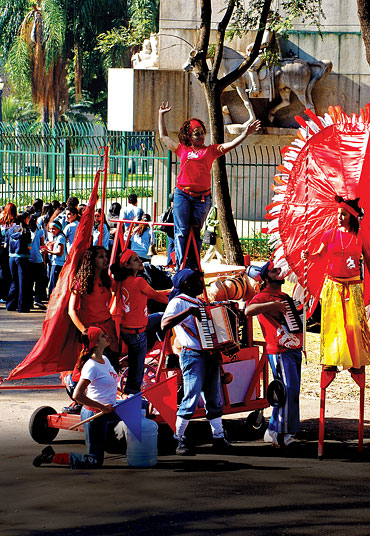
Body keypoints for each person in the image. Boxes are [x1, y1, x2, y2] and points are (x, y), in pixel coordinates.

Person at [158, 101, 260, 269]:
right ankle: (181, 267)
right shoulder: (182, 149)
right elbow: (164, 137)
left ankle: (195, 266)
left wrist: (245, 133)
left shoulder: (210, 150)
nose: (201, 136)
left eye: (202, 133)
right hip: (182, 194)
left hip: (202, 198)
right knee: (182, 232)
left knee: (196, 232)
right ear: (189, 136)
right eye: (197, 134)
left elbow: (231, 145)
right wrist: (161, 115)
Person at [301, 196, 370, 372]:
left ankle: (355, 361)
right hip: (333, 286)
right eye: (338, 214)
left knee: (354, 324)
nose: (339, 217)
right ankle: (331, 360)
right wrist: (309, 256)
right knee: (332, 323)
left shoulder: (360, 236)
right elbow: (319, 256)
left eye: (343, 214)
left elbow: (369, 260)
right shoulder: (329, 235)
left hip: (353, 286)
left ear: (351, 216)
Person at [161, 269, 230, 455]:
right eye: (198, 281)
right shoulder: (178, 302)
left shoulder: (200, 302)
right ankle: (179, 438)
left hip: (209, 354)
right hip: (192, 354)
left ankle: (218, 436)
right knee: (191, 396)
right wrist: (188, 312)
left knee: (213, 397)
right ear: (187, 284)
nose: (202, 284)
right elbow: (164, 324)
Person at [33, 327, 120, 469]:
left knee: (140, 410)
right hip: (96, 414)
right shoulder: (91, 366)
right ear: (96, 343)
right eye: (103, 336)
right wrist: (102, 407)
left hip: (108, 410)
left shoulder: (105, 359)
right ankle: (52, 457)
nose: (107, 337)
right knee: (94, 461)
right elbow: (77, 395)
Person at [245, 260, 303, 447]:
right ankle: (282, 433)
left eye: (281, 269)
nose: (280, 272)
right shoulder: (263, 296)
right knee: (287, 391)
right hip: (279, 350)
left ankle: (274, 430)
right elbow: (249, 310)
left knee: (289, 392)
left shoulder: (285, 296)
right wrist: (272, 305)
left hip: (293, 349)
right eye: (275, 270)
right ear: (266, 276)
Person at [111, 249, 170, 394]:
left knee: (161, 316)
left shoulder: (120, 281)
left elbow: (149, 293)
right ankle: (133, 398)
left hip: (126, 328)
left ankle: (165, 348)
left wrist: (170, 290)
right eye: (136, 260)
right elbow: (157, 297)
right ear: (128, 266)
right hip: (137, 333)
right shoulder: (139, 281)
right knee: (136, 375)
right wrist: (181, 303)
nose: (140, 261)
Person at [68, 246, 118, 370]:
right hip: (92, 330)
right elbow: (71, 310)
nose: (105, 259)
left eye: (106, 256)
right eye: (101, 257)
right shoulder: (81, 281)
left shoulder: (107, 279)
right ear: (91, 260)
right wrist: (85, 331)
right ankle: (74, 384)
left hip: (108, 327)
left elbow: (122, 291)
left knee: (112, 364)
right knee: (94, 365)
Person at [6, 212, 32, 312]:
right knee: (23, 282)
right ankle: (22, 307)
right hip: (23, 258)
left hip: (11, 257)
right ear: (25, 219)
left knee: (14, 281)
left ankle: (10, 305)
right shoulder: (26, 231)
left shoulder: (10, 230)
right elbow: (29, 246)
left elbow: (6, 245)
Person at [28, 214, 48, 308]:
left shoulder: (26, 231)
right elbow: (42, 246)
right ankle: (37, 299)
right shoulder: (40, 232)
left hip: (28, 258)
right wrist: (44, 260)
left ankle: (29, 300)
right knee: (39, 281)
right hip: (38, 258)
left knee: (30, 281)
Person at [43, 219, 67, 296]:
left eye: (53, 229)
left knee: (53, 283)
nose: (51, 230)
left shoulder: (60, 238)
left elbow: (60, 252)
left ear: (58, 229)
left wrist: (48, 251)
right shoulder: (57, 237)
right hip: (55, 262)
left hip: (58, 263)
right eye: (50, 229)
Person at [0, 202, 18, 302]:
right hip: (12, 249)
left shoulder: (2, 221)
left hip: (2, 248)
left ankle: (3, 294)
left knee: (2, 270)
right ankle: (7, 293)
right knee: (9, 271)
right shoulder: (16, 221)